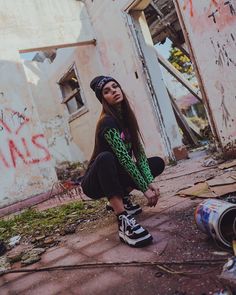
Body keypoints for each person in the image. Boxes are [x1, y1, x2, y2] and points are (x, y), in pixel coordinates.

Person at [81, 76, 165, 247]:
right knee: (106, 157)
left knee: (156, 163)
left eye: (115, 86)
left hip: (116, 173)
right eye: (107, 91)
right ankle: (123, 219)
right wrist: (143, 189)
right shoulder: (107, 122)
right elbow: (125, 159)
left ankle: (123, 197)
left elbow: (139, 154)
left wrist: (149, 182)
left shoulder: (127, 118)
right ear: (103, 99)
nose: (113, 91)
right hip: (95, 181)